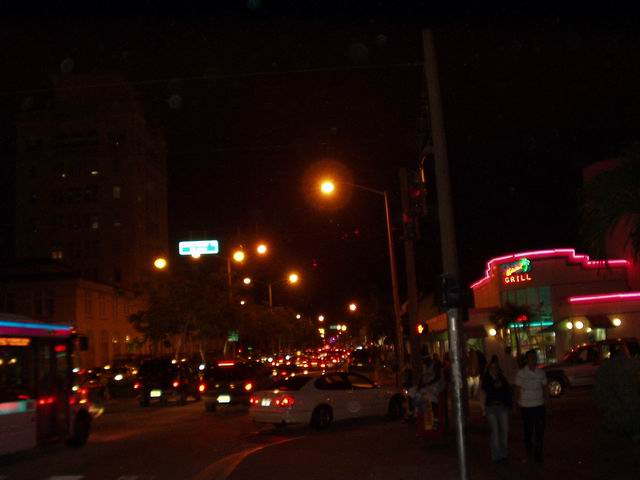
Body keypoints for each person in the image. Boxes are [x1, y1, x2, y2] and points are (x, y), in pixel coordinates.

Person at [515, 349, 549, 463]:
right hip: (526, 406)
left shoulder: (541, 372)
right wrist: (517, 404)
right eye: (530, 357)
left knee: (539, 432)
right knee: (528, 432)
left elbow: (545, 388)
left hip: (539, 405)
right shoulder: (521, 373)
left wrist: (548, 403)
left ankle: (538, 455)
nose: (533, 360)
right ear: (527, 359)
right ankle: (528, 454)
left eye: (534, 357)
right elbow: (517, 389)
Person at [481, 358, 512, 463]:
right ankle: (496, 455)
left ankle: (504, 452)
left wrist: (509, 404)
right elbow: (486, 391)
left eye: (496, 368)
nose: (494, 370)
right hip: (491, 407)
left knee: (505, 431)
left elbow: (507, 392)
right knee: (495, 431)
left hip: (502, 407)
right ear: (489, 369)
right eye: (492, 368)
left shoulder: (502, 379)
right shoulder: (487, 379)